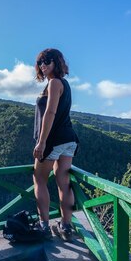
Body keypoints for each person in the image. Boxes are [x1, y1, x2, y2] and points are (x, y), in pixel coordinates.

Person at [32, 48, 79, 241]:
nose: (43, 65)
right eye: (41, 62)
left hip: (53, 139)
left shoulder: (53, 83)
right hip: (69, 139)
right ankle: (66, 226)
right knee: (64, 182)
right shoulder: (65, 84)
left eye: (48, 61)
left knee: (39, 180)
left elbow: (50, 113)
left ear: (57, 62)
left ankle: (43, 225)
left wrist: (42, 142)